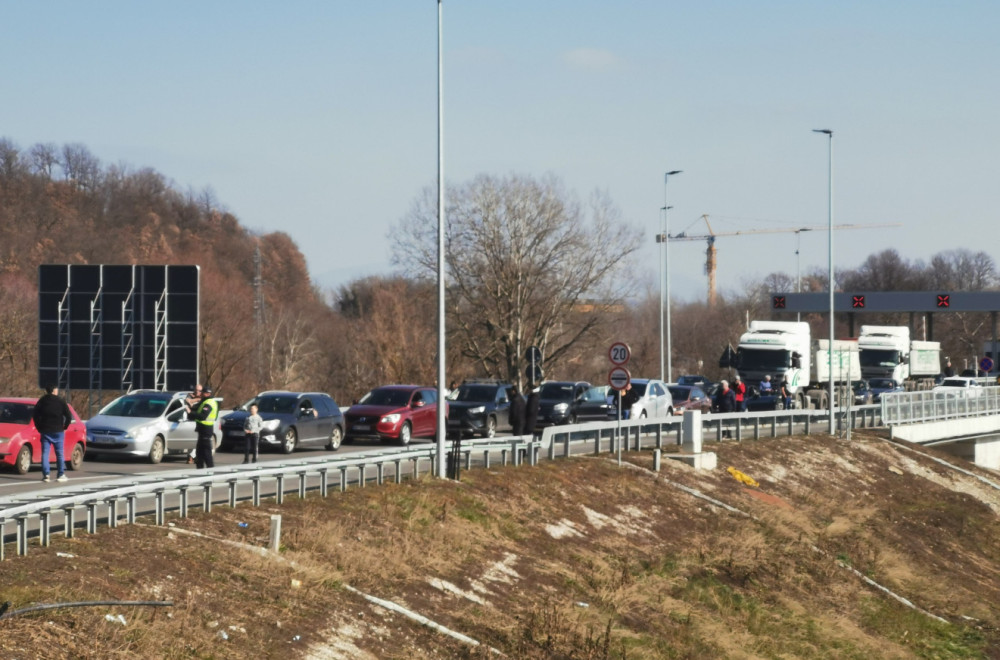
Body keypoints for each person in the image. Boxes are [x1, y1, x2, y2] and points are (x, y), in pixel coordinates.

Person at [32, 384, 73, 483]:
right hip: (58, 430)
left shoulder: (42, 401)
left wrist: (39, 427)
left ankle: (46, 475)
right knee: (59, 453)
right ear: (54, 390)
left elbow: (35, 415)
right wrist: (65, 427)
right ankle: (60, 474)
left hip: (45, 430)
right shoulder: (60, 401)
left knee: (45, 453)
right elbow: (68, 416)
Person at [188, 385, 219, 469]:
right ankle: (200, 469)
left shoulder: (209, 403)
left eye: (203, 393)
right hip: (202, 430)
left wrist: (190, 413)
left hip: (206, 429)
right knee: (199, 452)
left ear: (208, 394)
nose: (201, 394)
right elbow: (196, 408)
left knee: (206, 452)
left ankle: (210, 470)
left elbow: (202, 416)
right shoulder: (205, 401)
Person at [184, 384, 203, 464]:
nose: (197, 392)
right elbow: (187, 400)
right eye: (196, 390)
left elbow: (194, 401)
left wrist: (193, 401)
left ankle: (192, 456)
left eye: (199, 390)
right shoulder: (190, 395)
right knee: (192, 440)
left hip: (199, 420)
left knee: (198, 440)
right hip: (190, 420)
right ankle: (191, 456)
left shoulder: (203, 397)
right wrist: (192, 400)